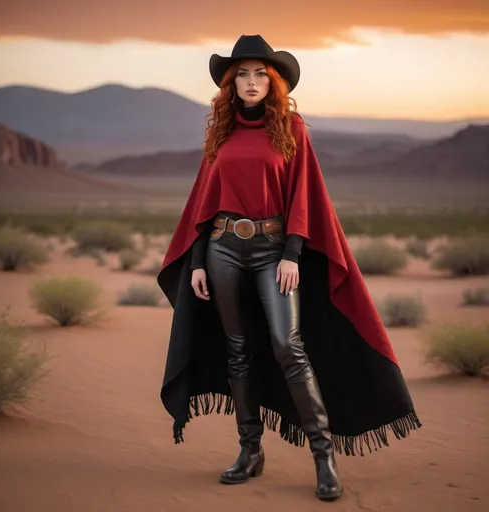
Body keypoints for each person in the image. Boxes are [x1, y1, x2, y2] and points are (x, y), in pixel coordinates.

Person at [157, 34, 422, 502]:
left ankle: (324, 458)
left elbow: (305, 196)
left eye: (260, 73)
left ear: (273, 81)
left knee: (287, 344)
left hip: (272, 249)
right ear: (230, 83)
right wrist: (197, 262)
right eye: (242, 74)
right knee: (237, 349)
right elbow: (203, 203)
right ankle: (250, 451)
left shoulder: (292, 129)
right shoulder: (219, 133)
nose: (252, 81)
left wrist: (292, 254)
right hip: (221, 249)